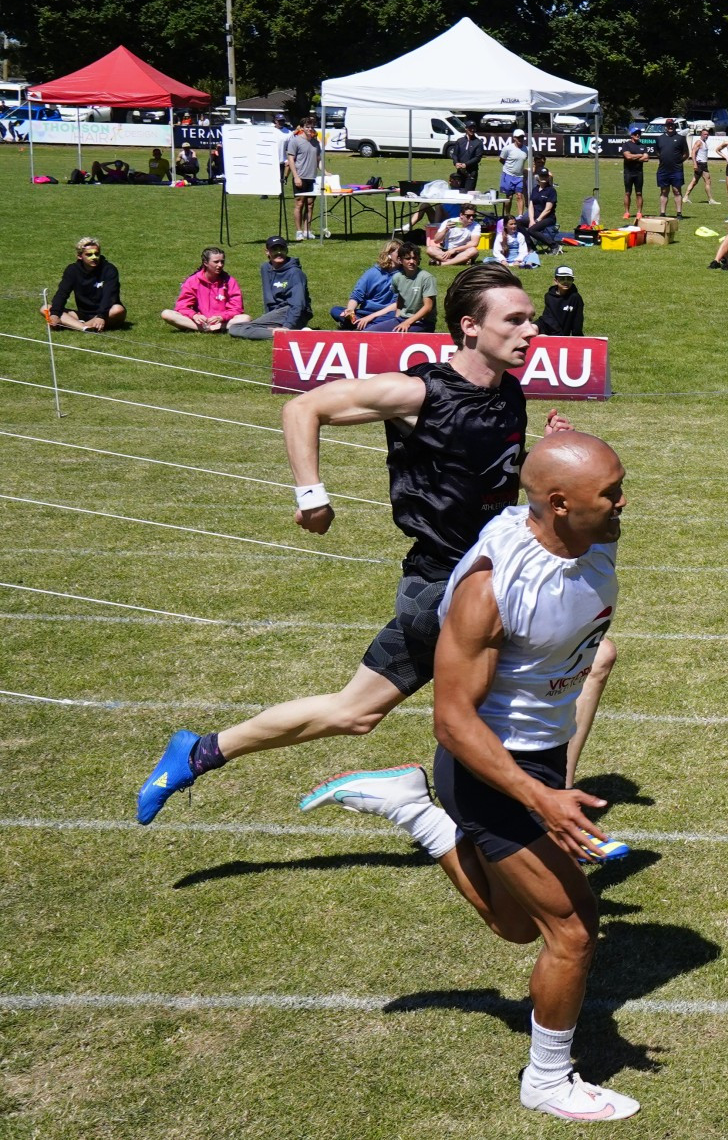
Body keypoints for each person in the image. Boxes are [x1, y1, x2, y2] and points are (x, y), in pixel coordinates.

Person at [139, 265, 626, 841]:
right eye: (515, 320)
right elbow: (303, 408)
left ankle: (199, 751)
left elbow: (488, 477)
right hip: (447, 586)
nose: (532, 330)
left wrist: (544, 458)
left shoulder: (509, 391)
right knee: (590, 658)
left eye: (530, 319)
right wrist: (312, 494)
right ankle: (551, 810)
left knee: (355, 712)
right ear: (470, 327)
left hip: (480, 576)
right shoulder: (419, 392)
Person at [300, 431, 638, 1121]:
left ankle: (415, 809)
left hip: (537, 755)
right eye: (610, 493)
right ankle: (547, 1079)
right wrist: (540, 795)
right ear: (559, 503)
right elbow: (453, 722)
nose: (623, 501)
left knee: (517, 926)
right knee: (571, 930)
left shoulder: (587, 533)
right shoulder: (491, 586)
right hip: (490, 766)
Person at [228, 236, 313, 340]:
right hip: (278, 313)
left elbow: (298, 304)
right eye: (274, 250)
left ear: (287, 250)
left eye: (282, 249)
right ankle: (285, 331)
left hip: (293, 312)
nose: (279, 253)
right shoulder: (266, 268)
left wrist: (287, 325)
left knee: (236, 328)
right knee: (236, 328)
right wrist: (269, 317)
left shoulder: (295, 273)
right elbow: (268, 297)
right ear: (267, 252)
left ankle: (285, 333)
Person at [48, 236, 126, 332]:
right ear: (80, 256)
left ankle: (75, 325)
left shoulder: (109, 269)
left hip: (107, 312)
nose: (94, 257)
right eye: (89, 255)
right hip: (83, 314)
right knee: (46, 309)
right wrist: (54, 314)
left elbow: (109, 296)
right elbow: (62, 293)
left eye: (96, 254)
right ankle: (84, 328)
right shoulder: (72, 270)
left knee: (118, 309)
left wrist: (101, 316)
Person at [160, 246, 242, 333]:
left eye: (222, 262)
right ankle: (206, 329)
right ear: (205, 263)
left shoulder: (230, 281)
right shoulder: (192, 281)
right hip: (200, 321)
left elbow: (237, 308)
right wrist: (194, 316)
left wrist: (222, 317)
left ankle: (214, 328)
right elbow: (181, 306)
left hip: (222, 321)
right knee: (166, 314)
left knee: (245, 318)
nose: (220, 265)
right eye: (216, 262)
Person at [333, 241, 407, 331]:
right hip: (366, 312)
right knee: (335, 310)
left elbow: (397, 304)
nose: (402, 255)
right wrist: (350, 310)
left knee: (397, 316)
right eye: (399, 252)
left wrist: (371, 317)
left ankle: (360, 325)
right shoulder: (372, 272)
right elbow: (357, 295)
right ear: (389, 254)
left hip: (386, 313)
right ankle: (367, 325)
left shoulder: (405, 275)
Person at [285, 114, 323, 241]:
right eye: (307, 127)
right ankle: (299, 231)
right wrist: (296, 177)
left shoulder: (316, 143)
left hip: (312, 177)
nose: (310, 129)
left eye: (312, 126)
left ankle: (308, 230)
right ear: (302, 128)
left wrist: (325, 171)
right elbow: (290, 159)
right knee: (299, 203)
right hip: (300, 176)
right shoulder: (295, 141)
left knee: (310, 204)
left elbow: (319, 161)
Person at [390, 241, 440, 332]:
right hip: (402, 318)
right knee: (373, 331)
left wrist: (408, 322)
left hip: (423, 322)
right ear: (400, 260)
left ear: (418, 259)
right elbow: (401, 296)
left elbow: (428, 307)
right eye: (407, 258)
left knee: (398, 335)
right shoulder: (397, 278)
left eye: (414, 258)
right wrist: (398, 314)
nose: (412, 261)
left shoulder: (427, 278)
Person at [655, 122, 690, 219]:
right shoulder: (660, 138)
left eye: (672, 125)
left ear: (674, 126)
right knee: (664, 191)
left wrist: (678, 161)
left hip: (676, 170)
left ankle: (679, 213)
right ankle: (662, 213)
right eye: (668, 125)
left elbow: (686, 154)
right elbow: (657, 152)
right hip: (663, 169)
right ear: (665, 127)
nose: (670, 127)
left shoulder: (680, 138)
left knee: (677, 191)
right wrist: (663, 159)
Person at [537, 264, 584, 335]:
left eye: (569, 279)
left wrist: (578, 338)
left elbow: (578, 320)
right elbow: (547, 317)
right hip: (548, 327)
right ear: (555, 281)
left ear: (573, 280)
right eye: (562, 279)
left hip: (561, 333)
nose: (566, 282)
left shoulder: (575, 297)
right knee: (532, 328)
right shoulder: (549, 296)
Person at [525, 169, 561, 251]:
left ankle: (555, 246)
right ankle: (531, 247)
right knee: (517, 223)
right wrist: (531, 220)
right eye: (542, 175)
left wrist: (537, 220)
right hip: (534, 218)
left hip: (548, 218)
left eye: (545, 176)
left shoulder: (551, 191)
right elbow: (531, 206)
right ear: (538, 177)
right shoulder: (535, 189)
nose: (543, 177)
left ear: (548, 177)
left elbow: (548, 209)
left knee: (532, 230)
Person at [498, 130, 531, 219]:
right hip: (508, 175)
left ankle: (520, 216)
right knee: (509, 196)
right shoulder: (507, 148)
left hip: (519, 176)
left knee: (519, 195)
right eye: (518, 137)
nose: (520, 139)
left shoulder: (527, 149)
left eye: (522, 137)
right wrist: (509, 168)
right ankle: (507, 215)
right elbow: (501, 159)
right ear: (514, 138)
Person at [620, 126, 648, 219]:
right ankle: (626, 212)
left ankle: (639, 212)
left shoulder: (642, 145)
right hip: (628, 172)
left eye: (639, 133)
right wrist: (640, 155)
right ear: (631, 135)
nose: (638, 135)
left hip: (639, 172)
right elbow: (627, 157)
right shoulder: (626, 145)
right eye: (636, 133)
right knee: (627, 193)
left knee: (639, 193)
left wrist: (634, 157)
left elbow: (646, 158)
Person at [448, 127, 485, 192]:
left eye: (473, 128)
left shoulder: (478, 142)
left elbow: (478, 157)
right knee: (457, 192)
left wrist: (466, 164)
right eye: (470, 128)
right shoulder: (460, 141)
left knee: (469, 193)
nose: (472, 130)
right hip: (460, 172)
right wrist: (456, 162)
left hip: (471, 172)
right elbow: (454, 154)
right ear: (466, 129)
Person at [692, 128, 716, 204]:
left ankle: (685, 197)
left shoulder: (704, 142)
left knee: (695, 181)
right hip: (700, 164)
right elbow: (693, 152)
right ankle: (711, 199)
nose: (706, 136)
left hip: (704, 164)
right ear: (701, 135)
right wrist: (695, 164)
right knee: (707, 181)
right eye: (705, 134)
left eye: (707, 134)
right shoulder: (699, 142)